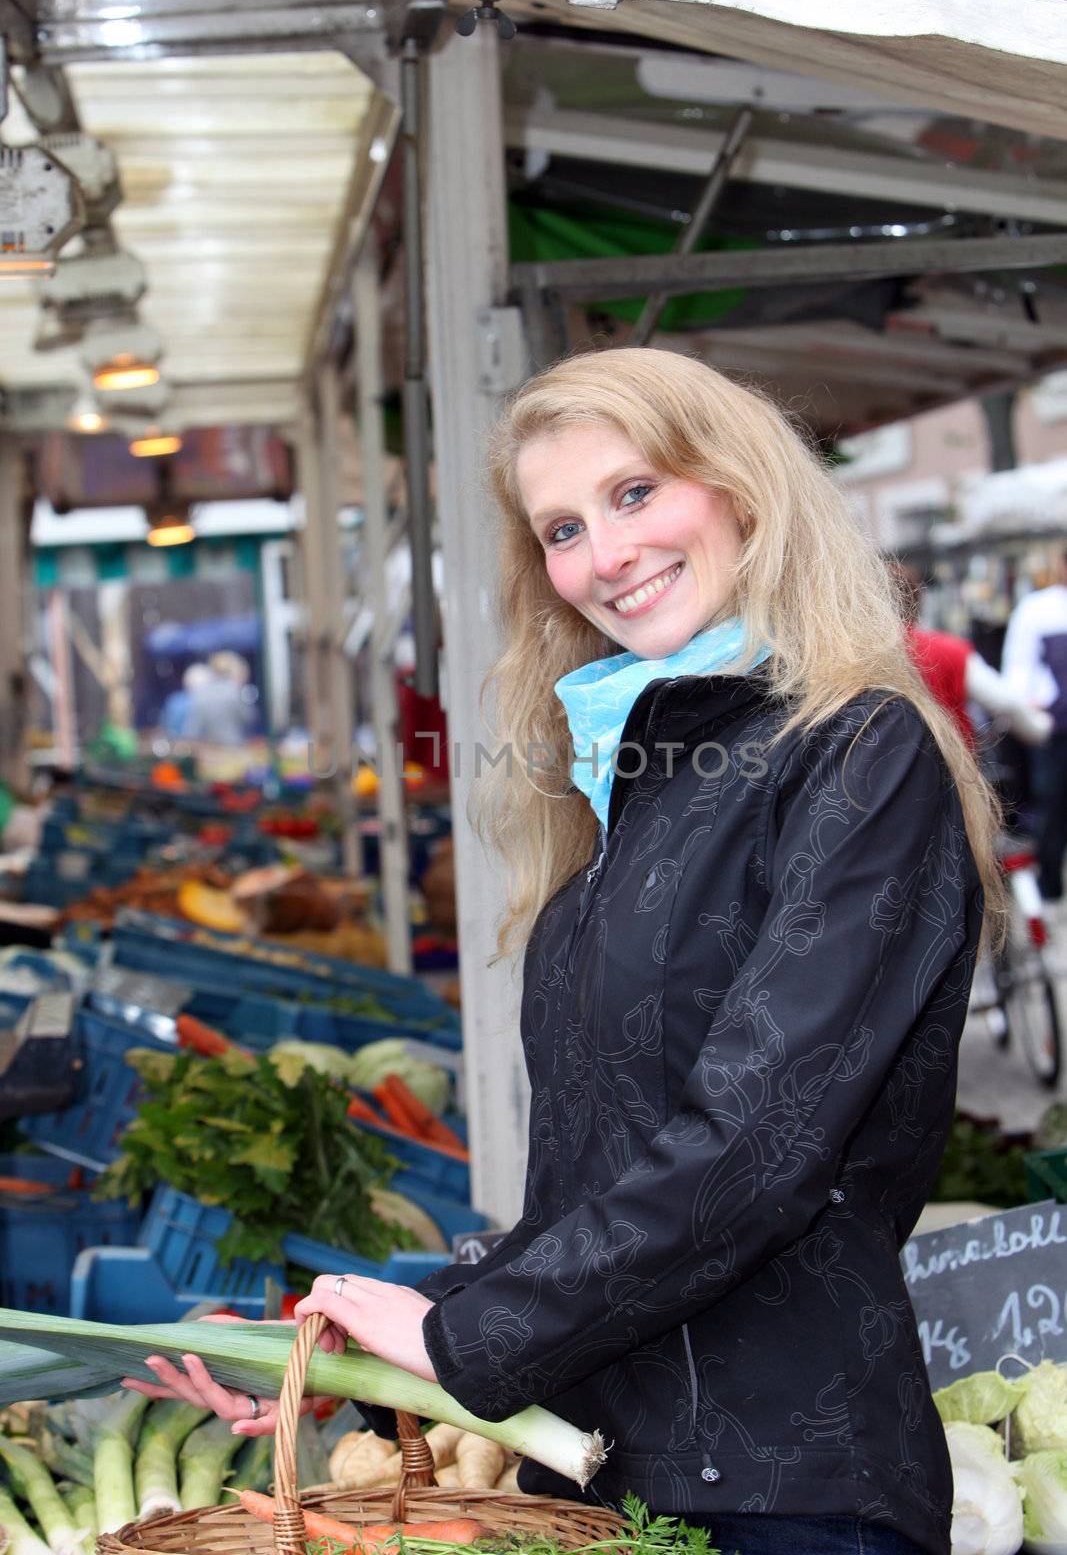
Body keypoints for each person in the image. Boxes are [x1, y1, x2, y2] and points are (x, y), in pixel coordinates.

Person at [127, 350, 1005, 1555]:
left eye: (635, 493)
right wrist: (363, 1336)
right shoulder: (641, 779)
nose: (603, 555)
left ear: (740, 487)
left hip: (780, 1486)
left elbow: (755, 1147)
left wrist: (460, 1341)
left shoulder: (855, 753)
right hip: (608, 1471)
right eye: (561, 528)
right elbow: (603, 1182)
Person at [890, 562, 1052, 752]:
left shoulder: (859, 657)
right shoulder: (946, 649)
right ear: (919, 599)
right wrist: (1040, 728)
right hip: (949, 765)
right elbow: (1003, 699)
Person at [1001, 553, 1067, 903]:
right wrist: (1030, 704)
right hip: (1054, 730)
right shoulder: (1037, 610)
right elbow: (1018, 668)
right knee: (1052, 805)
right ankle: (1050, 888)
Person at [184, 651, 253, 747]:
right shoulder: (234, 691)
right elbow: (248, 717)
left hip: (210, 749)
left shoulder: (200, 693)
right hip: (234, 746)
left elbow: (193, 729)